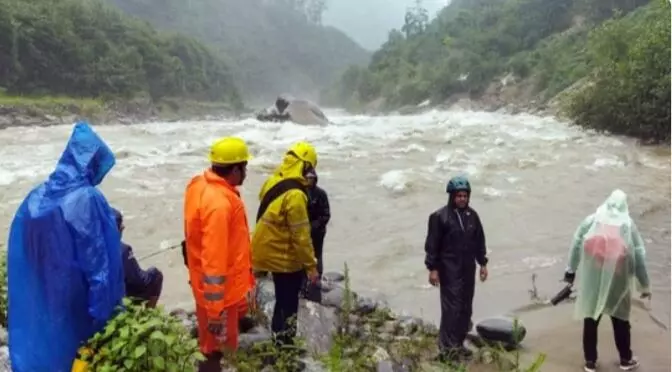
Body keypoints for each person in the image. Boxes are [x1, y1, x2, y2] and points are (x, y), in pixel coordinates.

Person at [7, 121, 125, 372]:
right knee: (75, 354)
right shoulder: (86, 199)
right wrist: (103, 316)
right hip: (76, 299)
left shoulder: (36, 196)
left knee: (49, 346)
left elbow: (25, 252)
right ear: (90, 162)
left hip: (44, 291)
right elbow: (99, 265)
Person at [183, 137, 255, 372]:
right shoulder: (220, 204)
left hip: (204, 286)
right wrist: (216, 312)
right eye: (244, 167)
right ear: (235, 169)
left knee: (209, 345)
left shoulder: (199, 185)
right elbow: (214, 258)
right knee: (215, 351)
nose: (246, 172)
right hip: (219, 297)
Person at [562, 189, 650, 372]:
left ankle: (590, 362)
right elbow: (639, 254)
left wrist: (570, 270)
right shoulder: (627, 225)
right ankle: (626, 359)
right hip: (618, 281)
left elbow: (577, 241)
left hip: (593, 279)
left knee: (591, 318)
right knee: (620, 320)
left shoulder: (592, 220)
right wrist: (644, 284)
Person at [251, 141, 320, 354]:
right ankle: (285, 347)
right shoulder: (296, 195)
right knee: (288, 302)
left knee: (281, 299)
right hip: (282, 256)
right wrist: (311, 266)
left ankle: (277, 341)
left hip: (262, 249)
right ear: (306, 166)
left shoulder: (272, 181)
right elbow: (301, 235)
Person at [423, 175, 488, 362]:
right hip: (448, 269)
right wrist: (433, 269)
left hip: (467, 269)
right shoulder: (439, 217)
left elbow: (479, 241)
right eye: (459, 196)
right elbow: (432, 245)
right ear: (452, 196)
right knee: (451, 309)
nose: (462, 199)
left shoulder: (472, 216)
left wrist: (482, 264)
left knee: (465, 308)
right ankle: (446, 349)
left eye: (465, 196)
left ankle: (458, 344)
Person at [111, 208, 164, 308]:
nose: (123, 227)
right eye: (120, 224)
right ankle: (149, 314)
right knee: (156, 275)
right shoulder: (123, 250)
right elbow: (139, 280)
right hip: (121, 296)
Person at [303, 169, 330, 302]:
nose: (309, 181)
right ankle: (303, 282)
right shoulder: (301, 193)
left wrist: (317, 225)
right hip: (304, 231)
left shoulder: (321, 194)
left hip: (318, 232)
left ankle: (317, 279)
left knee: (317, 255)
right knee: (303, 256)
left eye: (312, 178)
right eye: (307, 178)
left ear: (315, 179)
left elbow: (326, 214)